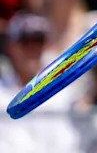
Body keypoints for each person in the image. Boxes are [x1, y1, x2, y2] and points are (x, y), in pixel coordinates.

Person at [0, 13, 83, 152]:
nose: (33, 50)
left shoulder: (65, 89)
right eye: (25, 42)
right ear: (10, 46)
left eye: (39, 42)